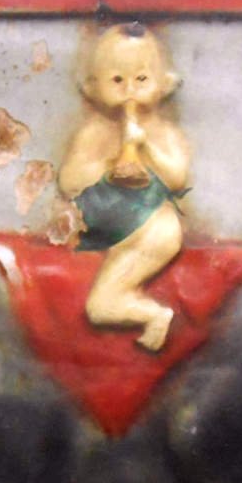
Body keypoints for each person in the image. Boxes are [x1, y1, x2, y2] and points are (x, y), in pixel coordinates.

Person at [58, 23, 190, 352]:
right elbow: (69, 181)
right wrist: (107, 166)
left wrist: (145, 148)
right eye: (117, 80)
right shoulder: (95, 132)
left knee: (101, 305)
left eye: (141, 79)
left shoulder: (164, 133)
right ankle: (151, 314)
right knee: (100, 306)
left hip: (154, 229)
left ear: (164, 83)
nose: (130, 90)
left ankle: (153, 315)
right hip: (111, 229)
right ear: (93, 86)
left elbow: (177, 178)